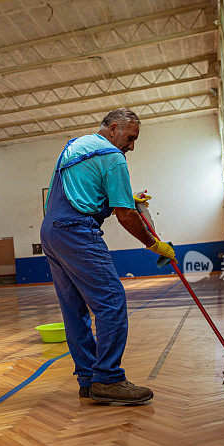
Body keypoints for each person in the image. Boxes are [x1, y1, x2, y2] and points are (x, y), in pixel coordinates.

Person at [40, 108, 177, 404]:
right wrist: (154, 244)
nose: (131, 146)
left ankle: (89, 378)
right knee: (111, 303)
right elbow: (125, 215)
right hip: (77, 231)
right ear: (114, 128)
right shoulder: (114, 157)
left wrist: (126, 196)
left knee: (74, 310)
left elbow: (86, 188)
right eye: (130, 137)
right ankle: (109, 379)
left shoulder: (76, 145)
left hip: (51, 231)